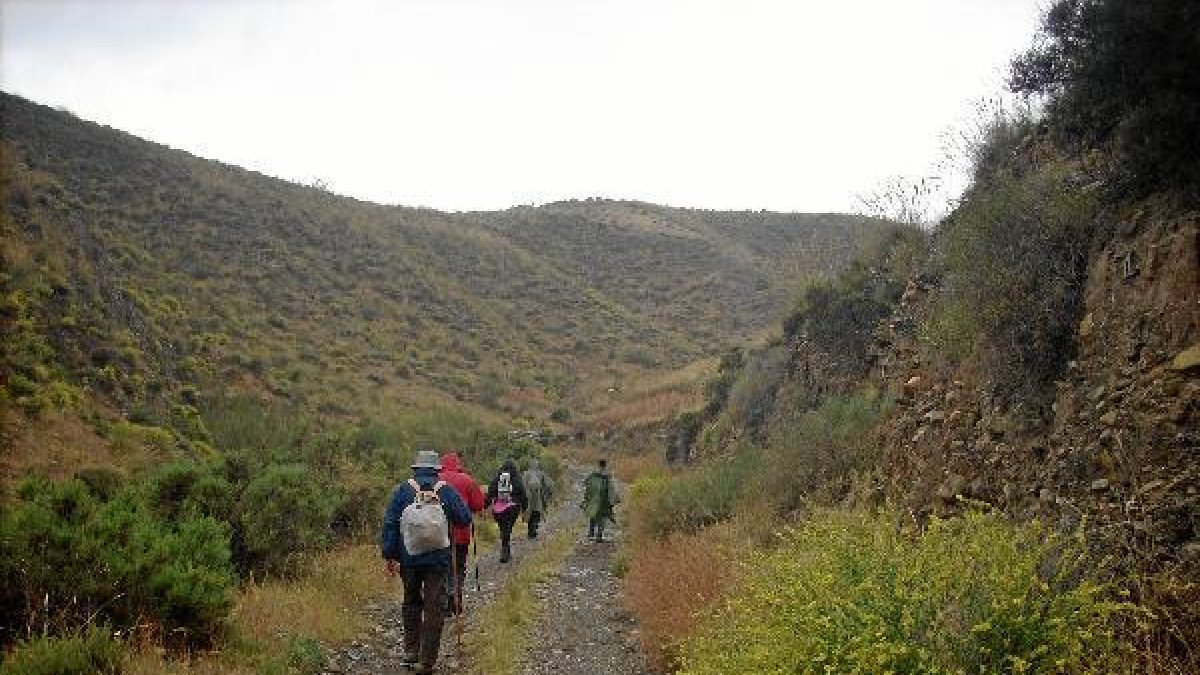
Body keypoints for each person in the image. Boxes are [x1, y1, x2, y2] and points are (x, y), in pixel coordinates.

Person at [381, 450, 472, 674]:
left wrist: (390, 555)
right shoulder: (445, 490)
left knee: (411, 601)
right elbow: (464, 519)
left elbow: (390, 523)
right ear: (436, 471)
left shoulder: (403, 490)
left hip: (409, 558)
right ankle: (427, 661)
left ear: (415, 469)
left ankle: (411, 651)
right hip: (438, 559)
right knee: (434, 607)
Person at [438, 451, 485, 614]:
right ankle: (456, 597)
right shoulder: (467, 479)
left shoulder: (435, 480)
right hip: (461, 532)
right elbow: (479, 505)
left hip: (437, 533)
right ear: (458, 464)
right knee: (458, 565)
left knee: (442, 567)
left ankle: (444, 599)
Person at [486, 458, 527, 563]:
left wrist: (485, 505)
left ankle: (505, 547)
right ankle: (505, 548)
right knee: (508, 527)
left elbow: (490, 491)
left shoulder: (498, 478)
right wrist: (525, 507)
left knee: (503, 527)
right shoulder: (517, 479)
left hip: (498, 509)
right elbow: (522, 493)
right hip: (513, 508)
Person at [582, 459, 619, 542]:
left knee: (593, 515)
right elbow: (611, 490)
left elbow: (586, 484)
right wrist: (614, 500)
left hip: (593, 500)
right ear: (605, 465)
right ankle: (599, 536)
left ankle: (591, 534)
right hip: (603, 502)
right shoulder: (607, 477)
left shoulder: (592, 475)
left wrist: (586, 499)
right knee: (602, 518)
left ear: (598, 465)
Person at [522, 457, 552, 539]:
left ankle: (530, 531)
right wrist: (547, 496)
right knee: (537, 514)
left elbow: (523, 486)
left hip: (528, 498)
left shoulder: (525, 474)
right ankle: (533, 531)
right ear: (537, 465)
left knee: (529, 513)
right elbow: (548, 485)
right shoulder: (541, 474)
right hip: (538, 497)